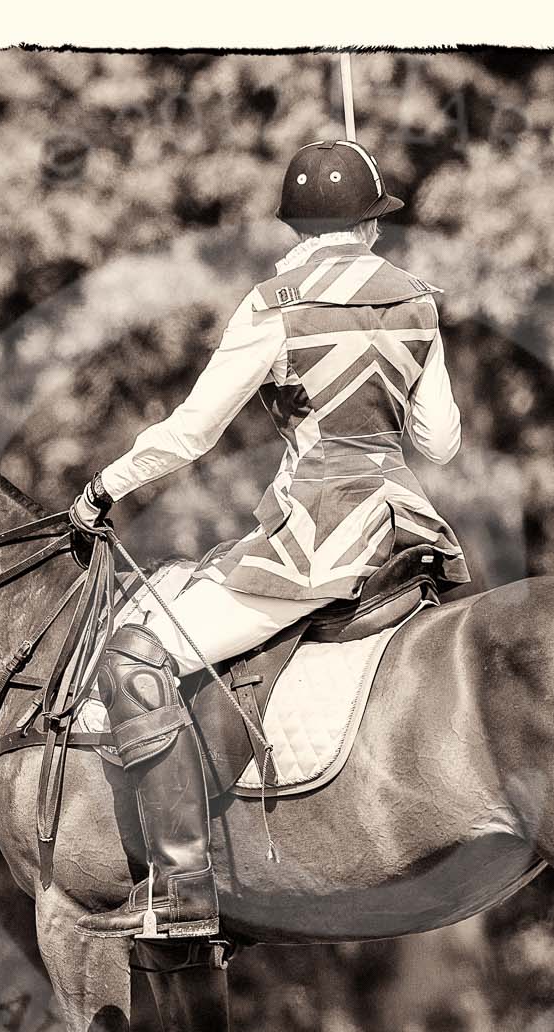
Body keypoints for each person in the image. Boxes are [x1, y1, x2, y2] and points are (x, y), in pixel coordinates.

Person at [68, 140, 467, 940]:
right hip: (407, 531)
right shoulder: (418, 300)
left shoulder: (272, 304)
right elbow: (441, 441)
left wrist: (104, 487)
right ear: (372, 225)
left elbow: (191, 433)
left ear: (294, 223)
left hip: (318, 541)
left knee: (137, 649)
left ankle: (181, 885)